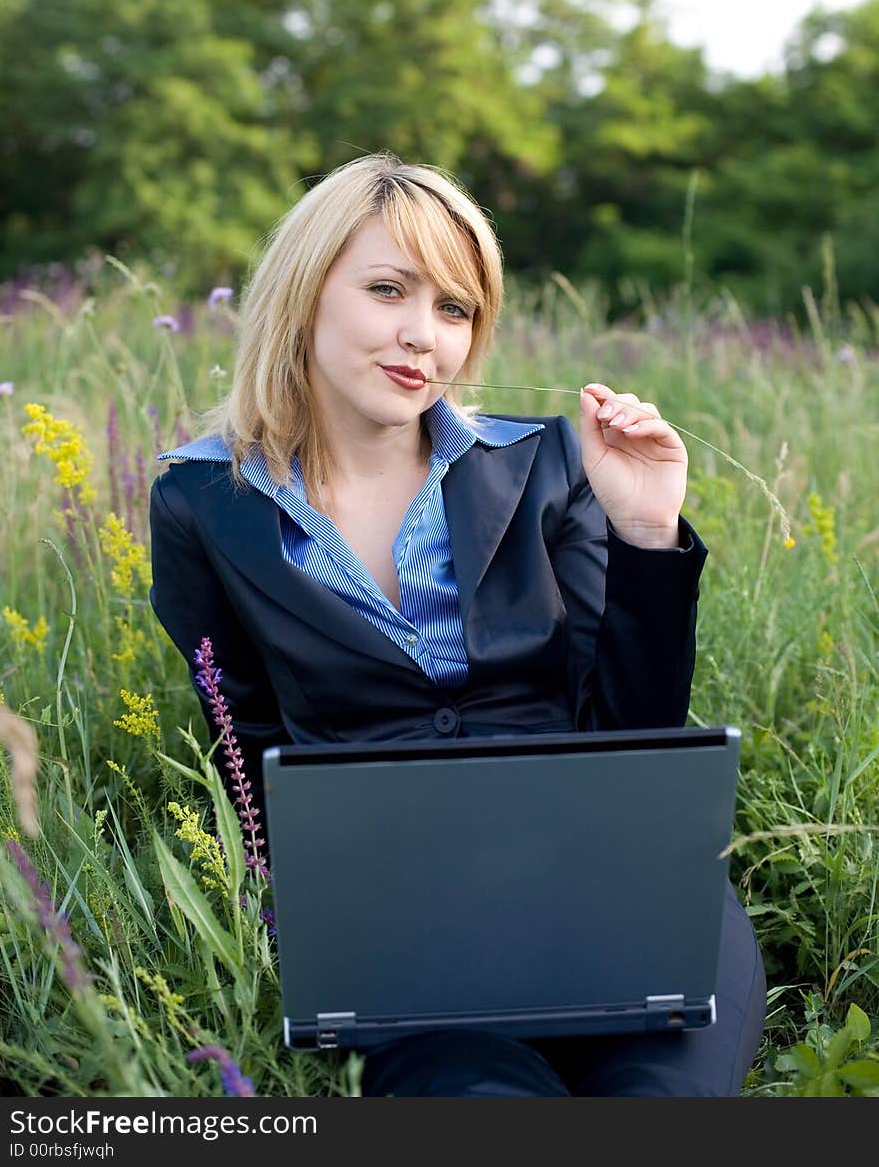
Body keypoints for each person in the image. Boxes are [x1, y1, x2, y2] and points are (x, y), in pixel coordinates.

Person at [148, 151, 766, 1096]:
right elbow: (246, 745)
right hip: (405, 923)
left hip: (611, 875)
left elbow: (633, 736)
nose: (422, 337)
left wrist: (645, 532)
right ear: (304, 293)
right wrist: (325, 933)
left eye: (454, 308)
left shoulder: (545, 461)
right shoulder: (204, 500)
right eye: (388, 289)